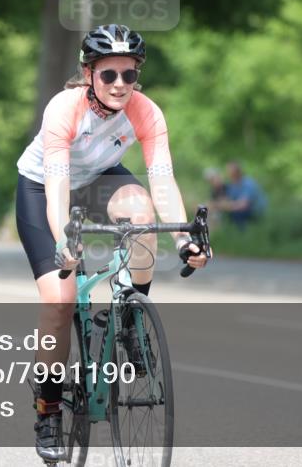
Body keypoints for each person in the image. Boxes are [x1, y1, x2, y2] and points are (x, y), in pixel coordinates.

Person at [15, 24, 208, 461]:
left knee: (140, 214)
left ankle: (128, 315)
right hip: (44, 187)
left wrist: (182, 239)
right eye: (109, 75)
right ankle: (47, 409)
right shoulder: (63, 109)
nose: (120, 84)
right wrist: (66, 238)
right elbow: (59, 185)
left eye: (129, 74)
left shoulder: (146, 111)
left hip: (100, 180)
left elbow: (161, 183)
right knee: (60, 302)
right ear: (89, 74)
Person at [216, 161, 267, 229]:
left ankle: (243, 235)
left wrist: (226, 205)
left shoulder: (248, 183)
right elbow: (228, 199)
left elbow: (243, 205)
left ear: (236, 173)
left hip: (256, 211)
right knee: (222, 214)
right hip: (243, 208)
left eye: (229, 172)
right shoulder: (233, 185)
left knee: (238, 213)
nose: (227, 174)